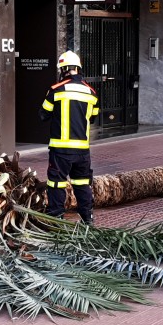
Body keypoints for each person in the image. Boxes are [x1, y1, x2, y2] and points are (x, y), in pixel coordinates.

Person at [39, 50, 99, 225]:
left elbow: (43, 115)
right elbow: (93, 117)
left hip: (61, 149)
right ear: (78, 69)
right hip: (82, 150)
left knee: (56, 183)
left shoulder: (56, 90)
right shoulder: (91, 92)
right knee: (82, 184)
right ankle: (87, 218)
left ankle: (57, 219)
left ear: (63, 69)